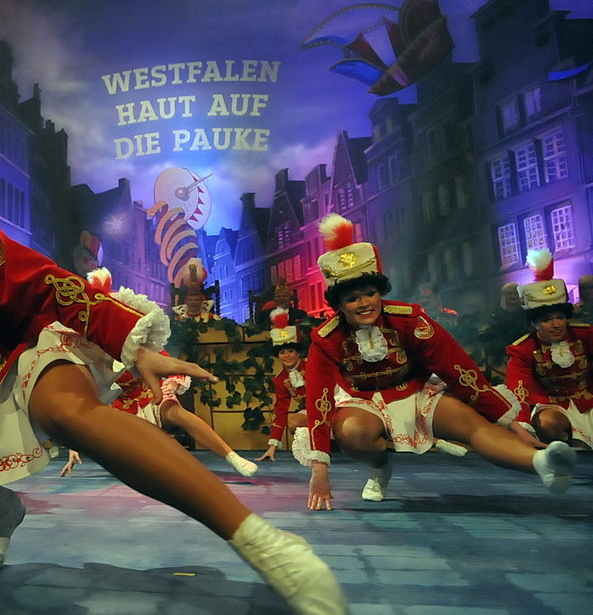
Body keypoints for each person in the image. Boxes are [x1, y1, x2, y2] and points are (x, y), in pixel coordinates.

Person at [0, 66, 348, 615]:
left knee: (65, 411)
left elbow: (39, 282)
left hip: (24, 347)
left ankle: (260, 541)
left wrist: (130, 345)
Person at [303, 213, 576, 511]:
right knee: (353, 433)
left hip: (416, 392)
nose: (365, 303)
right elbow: (319, 400)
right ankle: (380, 467)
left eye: (370, 293)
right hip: (362, 402)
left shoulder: (409, 320)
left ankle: (542, 463)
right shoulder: (326, 338)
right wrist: (319, 470)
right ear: (339, 304)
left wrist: (510, 422)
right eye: (353, 298)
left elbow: (458, 369)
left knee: (472, 424)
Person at [62, 269, 258, 478]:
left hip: (150, 396)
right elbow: (82, 399)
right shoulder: (90, 354)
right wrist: (75, 444)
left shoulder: (137, 344)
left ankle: (232, 456)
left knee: (176, 412)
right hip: (119, 411)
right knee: (141, 461)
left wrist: (172, 384)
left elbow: (168, 364)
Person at [506, 250, 593, 449]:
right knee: (547, 423)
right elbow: (518, 391)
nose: (556, 325)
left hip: (589, 400)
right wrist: (522, 425)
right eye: (546, 320)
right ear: (534, 323)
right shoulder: (523, 349)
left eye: (560, 318)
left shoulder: (585, 334)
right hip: (553, 406)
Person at [258, 308, 309, 462]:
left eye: (291, 351)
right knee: (294, 424)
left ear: (298, 352)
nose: (286, 356)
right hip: (313, 412)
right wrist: (272, 447)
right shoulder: (281, 380)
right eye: (282, 352)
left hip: (334, 404)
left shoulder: (312, 365)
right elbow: (280, 412)